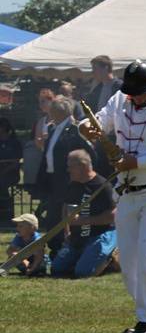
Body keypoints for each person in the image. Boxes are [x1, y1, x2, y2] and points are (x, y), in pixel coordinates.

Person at [79, 59, 146, 333]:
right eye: (132, 93)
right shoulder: (120, 98)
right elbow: (98, 120)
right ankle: (145, 313)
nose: (135, 98)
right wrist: (85, 127)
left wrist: (135, 162)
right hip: (127, 188)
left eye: (139, 93)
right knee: (128, 258)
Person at [36, 96, 95, 253]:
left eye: (52, 110)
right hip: (52, 178)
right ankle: (55, 248)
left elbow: (91, 154)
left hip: (68, 180)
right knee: (53, 216)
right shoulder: (52, 128)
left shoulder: (75, 129)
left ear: (59, 112)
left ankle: (64, 248)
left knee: (62, 216)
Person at [50, 150, 117, 278]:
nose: (68, 170)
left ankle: (110, 258)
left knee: (83, 273)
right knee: (57, 269)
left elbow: (112, 216)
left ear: (83, 166)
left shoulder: (102, 186)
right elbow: (66, 207)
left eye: (71, 167)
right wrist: (67, 231)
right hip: (77, 237)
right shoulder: (73, 185)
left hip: (99, 235)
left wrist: (83, 220)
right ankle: (85, 257)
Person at [84, 55, 124, 178]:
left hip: (116, 137)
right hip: (101, 136)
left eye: (95, 69)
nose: (93, 72)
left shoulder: (120, 87)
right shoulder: (97, 88)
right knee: (102, 170)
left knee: (116, 171)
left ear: (106, 68)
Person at [0, 118, 22, 226]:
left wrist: (4, 171)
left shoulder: (14, 143)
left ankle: (6, 214)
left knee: (2, 183)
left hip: (10, 173)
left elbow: (16, 162)